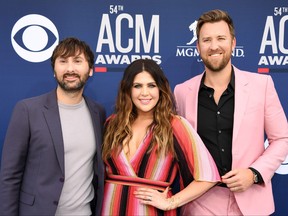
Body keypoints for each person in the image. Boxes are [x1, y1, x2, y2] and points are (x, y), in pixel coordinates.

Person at [174, 9, 288, 215]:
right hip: (200, 203)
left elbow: (282, 138)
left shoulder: (261, 85)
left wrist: (253, 174)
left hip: (251, 201)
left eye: (221, 38)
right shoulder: (182, 92)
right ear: (198, 47)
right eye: (206, 40)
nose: (214, 46)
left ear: (233, 43)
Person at [0, 37, 106, 215]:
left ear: (91, 70)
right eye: (63, 61)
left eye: (78, 61)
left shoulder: (98, 112)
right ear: (54, 70)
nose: (70, 69)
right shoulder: (27, 110)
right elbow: (10, 177)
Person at [101, 59, 220, 215]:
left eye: (151, 85)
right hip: (111, 210)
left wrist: (171, 202)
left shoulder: (175, 125)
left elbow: (208, 176)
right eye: (137, 86)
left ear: (160, 89)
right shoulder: (112, 124)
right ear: (127, 90)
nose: (145, 93)